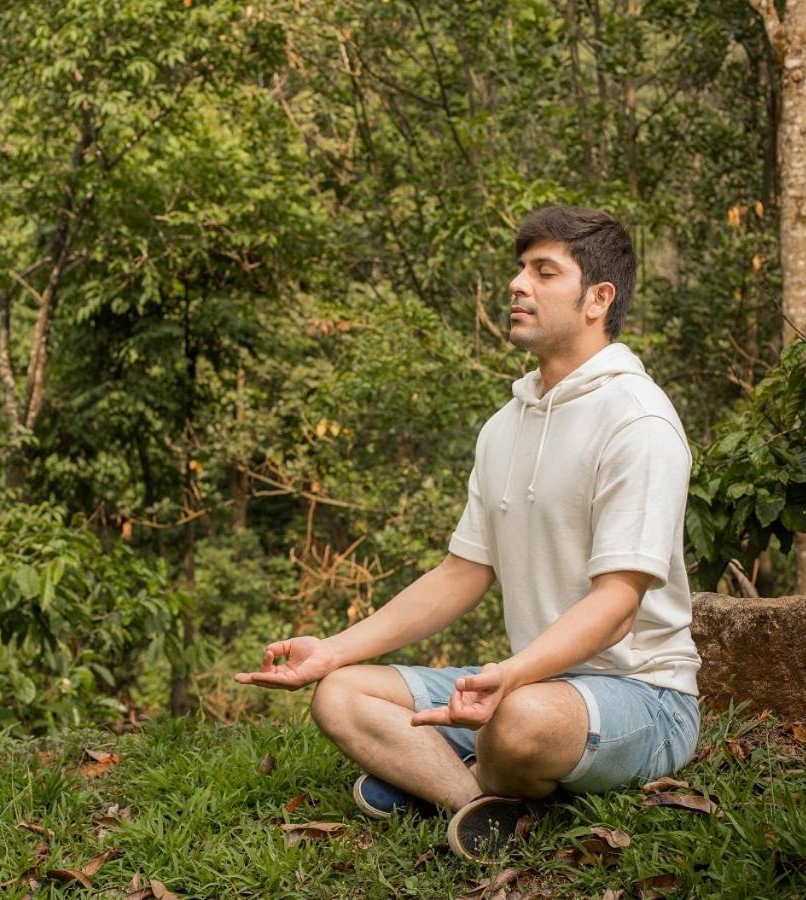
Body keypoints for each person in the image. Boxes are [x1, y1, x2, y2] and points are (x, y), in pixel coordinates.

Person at [235, 206, 701, 862]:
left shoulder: (638, 421)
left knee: (518, 720)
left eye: (544, 272)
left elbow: (618, 607)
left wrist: (507, 678)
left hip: (642, 697)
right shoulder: (503, 426)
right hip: (528, 685)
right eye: (519, 269)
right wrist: (332, 651)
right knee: (340, 694)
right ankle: (477, 803)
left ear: (599, 298)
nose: (517, 284)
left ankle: (441, 776)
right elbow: (461, 575)